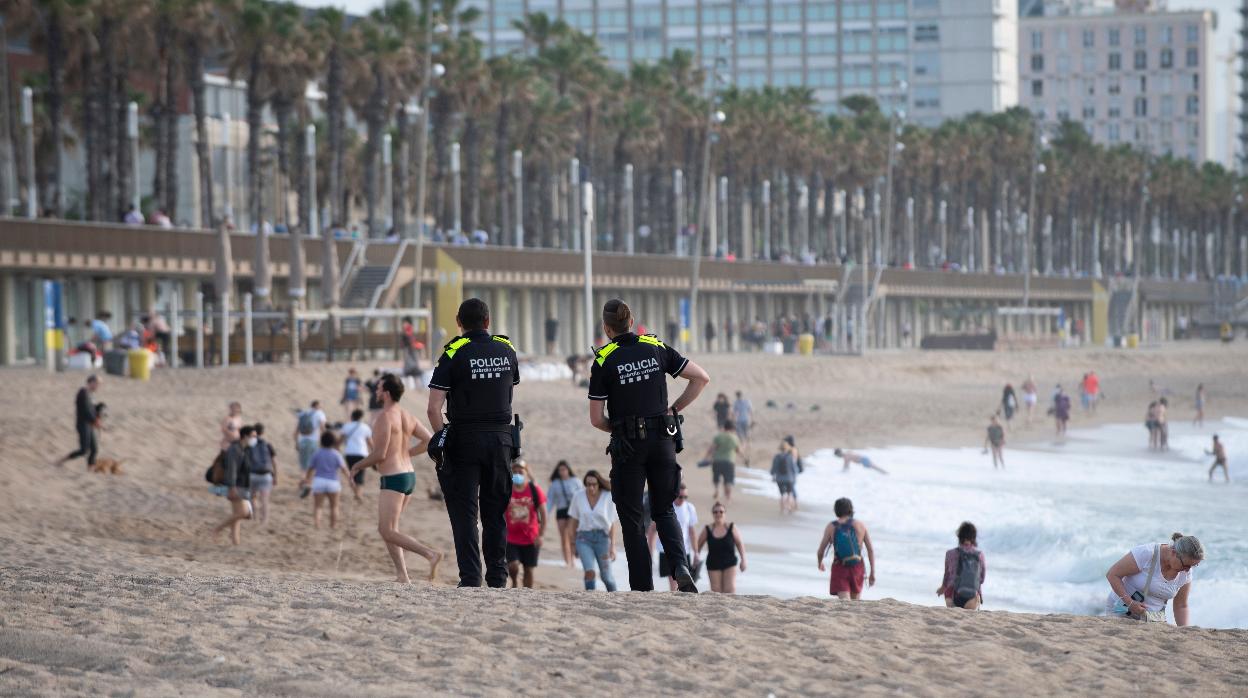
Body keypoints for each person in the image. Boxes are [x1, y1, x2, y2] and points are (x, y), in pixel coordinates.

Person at [588, 298, 710, 593]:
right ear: (631, 322)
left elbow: (595, 419)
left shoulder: (604, 359)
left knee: (631, 519)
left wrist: (616, 427)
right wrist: (674, 408)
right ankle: (680, 565)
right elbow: (701, 378)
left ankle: (642, 587)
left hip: (628, 445)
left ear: (607, 328)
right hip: (663, 439)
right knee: (664, 508)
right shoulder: (655, 347)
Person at [426, 298, 520, 588]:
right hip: (502, 439)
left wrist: (443, 436)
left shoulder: (453, 353)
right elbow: (509, 390)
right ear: (488, 321)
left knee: (465, 512)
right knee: (495, 513)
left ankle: (470, 578)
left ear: (459, 323)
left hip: (465, 439)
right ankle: (497, 577)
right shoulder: (507, 350)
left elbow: (433, 408)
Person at [350, 374, 443, 583]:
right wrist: (405, 454)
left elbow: (380, 454)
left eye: (379, 388)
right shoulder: (407, 415)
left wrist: (357, 465)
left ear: (387, 393)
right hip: (408, 476)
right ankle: (402, 575)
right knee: (392, 529)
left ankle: (430, 554)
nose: (376, 391)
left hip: (393, 478)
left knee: (386, 530)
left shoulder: (383, 417)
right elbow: (429, 440)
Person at [1105, 533, 1203, 626]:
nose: (1187, 570)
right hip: (1123, 610)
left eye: (1193, 566)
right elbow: (1112, 574)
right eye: (1185, 565)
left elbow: (1181, 606)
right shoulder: (1147, 553)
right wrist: (1130, 603)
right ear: (1174, 553)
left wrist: (1184, 631)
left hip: (1153, 618)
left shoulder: (1186, 571)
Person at [567, 470, 618, 591]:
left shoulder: (608, 496)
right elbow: (573, 522)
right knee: (589, 572)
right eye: (588, 484)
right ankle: (590, 597)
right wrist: (572, 543)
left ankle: (615, 597)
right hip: (584, 538)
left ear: (599, 484)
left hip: (603, 539)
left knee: (607, 576)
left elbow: (612, 523)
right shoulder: (578, 496)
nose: (591, 487)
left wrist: (613, 546)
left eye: (594, 484)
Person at [816, 497, 875, 600]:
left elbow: (821, 550)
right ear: (850, 509)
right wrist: (872, 573)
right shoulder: (860, 525)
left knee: (844, 602)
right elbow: (870, 550)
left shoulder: (831, 526)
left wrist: (820, 562)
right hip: (857, 567)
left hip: (840, 567)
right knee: (855, 602)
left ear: (836, 510)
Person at [300, 431, 358, 528]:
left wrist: (307, 480)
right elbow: (344, 469)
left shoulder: (317, 454)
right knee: (334, 506)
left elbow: (310, 469)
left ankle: (317, 525)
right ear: (334, 442)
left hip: (319, 481)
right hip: (333, 482)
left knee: (318, 506)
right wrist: (351, 480)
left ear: (321, 441)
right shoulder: (336, 454)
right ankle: (333, 526)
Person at [505, 459, 546, 588]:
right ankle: (515, 581)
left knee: (529, 570)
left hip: (531, 538)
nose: (517, 474)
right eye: (514, 471)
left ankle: (527, 593)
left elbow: (544, 514)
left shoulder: (534, 490)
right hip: (510, 537)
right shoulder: (506, 489)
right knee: (513, 565)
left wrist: (541, 535)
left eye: (521, 472)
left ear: (527, 473)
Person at [652, 482, 699, 592]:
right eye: (680, 496)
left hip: (684, 550)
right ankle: (674, 599)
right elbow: (652, 531)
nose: (683, 499)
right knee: (673, 580)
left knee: (685, 580)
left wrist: (696, 552)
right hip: (665, 550)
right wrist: (651, 551)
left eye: (685, 497)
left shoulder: (689, 508)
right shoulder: (667, 507)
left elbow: (692, 532)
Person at [211, 425, 254, 546]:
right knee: (244, 513)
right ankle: (217, 529)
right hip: (235, 486)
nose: (255, 438)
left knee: (237, 514)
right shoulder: (235, 449)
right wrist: (232, 487)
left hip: (242, 485)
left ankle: (236, 542)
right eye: (253, 436)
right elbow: (232, 469)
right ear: (245, 436)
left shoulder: (244, 449)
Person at [696, 502, 746, 593]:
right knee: (716, 592)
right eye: (715, 512)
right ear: (712, 514)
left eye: (721, 511)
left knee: (730, 590)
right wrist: (696, 557)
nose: (718, 514)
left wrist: (743, 560)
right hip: (713, 564)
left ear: (724, 513)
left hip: (730, 563)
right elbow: (698, 545)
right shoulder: (708, 529)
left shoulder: (731, 527)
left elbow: (739, 544)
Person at [937, 522, 986, 609]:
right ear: (973, 537)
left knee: (950, 593)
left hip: (952, 595)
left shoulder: (950, 553)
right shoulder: (979, 555)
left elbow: (947, 576)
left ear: (959, 536)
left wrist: (942, 588)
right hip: (971, 596)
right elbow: (981, 579)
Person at [547, 460, 584, 568]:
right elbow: (550, 501)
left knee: (572, 536)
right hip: (561, 511)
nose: (562, 472)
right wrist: (546, 514)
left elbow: (582, 497)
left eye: (564, 469)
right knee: (564, 537)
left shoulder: (576, 481)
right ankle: (568, 561)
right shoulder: (555, 484)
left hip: (574, 511)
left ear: (568, 470)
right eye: (560, 470)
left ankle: (574, 560)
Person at [704, 421, 747, 502]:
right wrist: (744, 458)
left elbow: (712, 448)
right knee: (728, 480)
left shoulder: (718, 436)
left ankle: (717, 489)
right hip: (729, 461)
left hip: (717, 460)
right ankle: (728, 497)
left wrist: (706, 457)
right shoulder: (734, 438)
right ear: (732, 428)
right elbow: (738, 451)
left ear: (724, 427)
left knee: (716, 477)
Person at [294, 400, 327, 494]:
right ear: (317, 406)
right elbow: (322, 428)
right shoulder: (320, 414)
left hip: (302, 441)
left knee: (303, 465)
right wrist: (326, 440)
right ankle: (308, 483)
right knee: (313, 465)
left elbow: (296, 431)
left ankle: (304, 483)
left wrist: (296, 443)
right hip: (313, 442)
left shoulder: (303, 414)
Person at [248, 423, 278, 524]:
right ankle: (264, 521)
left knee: (252, 497)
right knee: (264, 499)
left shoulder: (250, 445)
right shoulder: (268, 445)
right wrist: (276, 476)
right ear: (263, 432)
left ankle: (254, 517)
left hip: (253, 474)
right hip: (266, 475)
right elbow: (274, 462)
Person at [341, 409, 374, 499]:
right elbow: (370, 442)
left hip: (349, 453)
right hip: (362, 453)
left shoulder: (346, 426)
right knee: (360, 475)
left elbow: (340, 440)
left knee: (351, 474)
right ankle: (358, 494)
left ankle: (356, 493)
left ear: (352, 416)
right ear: (361, 417)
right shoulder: (365, 427)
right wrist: (374, 453)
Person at [770, 437, 801, 514]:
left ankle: (782, 509)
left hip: (779, 478)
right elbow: (794, 468)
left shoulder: (776, 457)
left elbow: (773, 469)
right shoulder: (790, 457)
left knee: (782, 495)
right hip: (789, 478)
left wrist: (773, 475)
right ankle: (789, 507)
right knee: (789, 494)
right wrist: (795, 475)